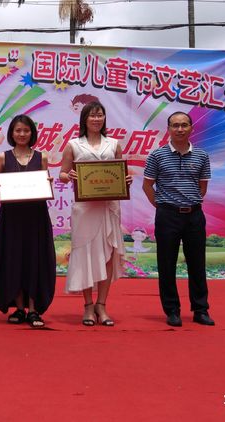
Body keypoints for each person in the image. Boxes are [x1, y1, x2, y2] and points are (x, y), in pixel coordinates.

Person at [59, 101, 131, 327]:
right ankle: (88, 306)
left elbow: (121, 173)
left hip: (109, 207)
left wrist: (126, 180)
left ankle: (102, 304)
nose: (96, 119)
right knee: (85, 254)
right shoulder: (73, 144)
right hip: (85, 209)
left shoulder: (114, 144)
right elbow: (62, 174)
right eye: (92, 115)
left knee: (108, 254)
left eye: (100, 115)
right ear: (84, 119)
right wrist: (69, 176)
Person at [142, 111, 214, 327]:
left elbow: (202, 187)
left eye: (184, 125)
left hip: (194, 215)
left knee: (197, 264)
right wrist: (162, 205)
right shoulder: (157, 155)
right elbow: (147, 186)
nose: (180, 129)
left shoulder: (202, 156)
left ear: (191, 128)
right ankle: (172, 310)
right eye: (175, 125)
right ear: (168, 129)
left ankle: (200, 310)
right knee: (166, 264)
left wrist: (189, 202)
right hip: (167, 215)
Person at [0, 115, 56, 328]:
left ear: (32, 133)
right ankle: (19, 308)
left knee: (35, 260)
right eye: (18, 130)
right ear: (12, 133)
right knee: (14, 259)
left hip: (36, 217)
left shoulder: (42, 157)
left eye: (26, 130)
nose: (22, 134)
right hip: (12, 218)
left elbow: (45, 185)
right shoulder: (2, 157)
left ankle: (33, 310)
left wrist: (48, 182)